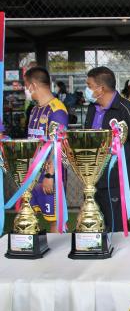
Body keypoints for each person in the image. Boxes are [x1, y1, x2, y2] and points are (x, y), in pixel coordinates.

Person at [84, 67, 130, 232]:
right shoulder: (92, 108)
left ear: (101, 89)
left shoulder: (127, 109)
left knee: (116, 223)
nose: (86, 89)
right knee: (94, 222)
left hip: (116, 177)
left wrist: (128, 161)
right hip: (92, 176)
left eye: (89, 85)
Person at [24, 66, 69, 233]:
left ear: (33, 85)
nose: (25, 90)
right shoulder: (35, 109)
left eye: (26, 86)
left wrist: (50, 175)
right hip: (33, 173)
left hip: (50, 175)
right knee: (28, 215)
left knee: (55, 219)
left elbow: (59, 145)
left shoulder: (57, 110)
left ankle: (59, 248)